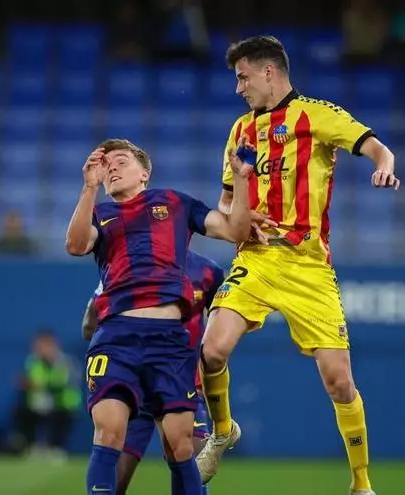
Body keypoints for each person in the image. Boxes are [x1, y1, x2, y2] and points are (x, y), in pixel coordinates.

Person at [196, 35, 400, 495]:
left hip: (308, 265)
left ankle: (361, 483)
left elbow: (377, 148)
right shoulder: (239, 131)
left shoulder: (317, 115)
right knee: (211, 349)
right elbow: (226, 205)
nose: (238, 88)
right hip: (257, 258)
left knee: (339, 380)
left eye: (243, 77)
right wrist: (239, 224)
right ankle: (223, 430)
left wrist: (384, 167)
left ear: (269, 71)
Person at [65, 138, 252, 495]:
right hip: (118, 335)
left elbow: (234, 231)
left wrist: (241, 180)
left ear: (144, 172)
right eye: (108, 165)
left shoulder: (175, 203)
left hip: (170, 340)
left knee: (180, 446)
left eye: (121, 160)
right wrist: (89, 187)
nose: (113, 168)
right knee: (109, 433)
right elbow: (75, 245)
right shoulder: (99, 213)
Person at [82, 249, 225, 494]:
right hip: (136, 382)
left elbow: (219, 327)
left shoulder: (209, 272)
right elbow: (88, 325)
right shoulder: (127, 265)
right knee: (117, 472)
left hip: (177, 379)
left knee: (191, 454)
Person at [11, 330, 82, 460]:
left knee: (59, 415)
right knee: (20, 412)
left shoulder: (65, 361)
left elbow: (66, 382)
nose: (40, 349)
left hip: (62, 403)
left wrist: (40, 385)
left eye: (44, 346)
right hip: (39, 403)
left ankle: (56, 448)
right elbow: (30, 380)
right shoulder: (33, 361)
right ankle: (32, 447)